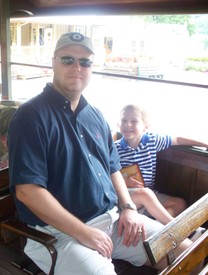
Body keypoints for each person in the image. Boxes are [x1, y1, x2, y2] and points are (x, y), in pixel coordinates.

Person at [8, 32, 192, 275]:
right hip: (59, 235)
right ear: (52, 62)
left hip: (112, 221)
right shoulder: (30, 117)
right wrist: (83, 232)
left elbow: (113, 166)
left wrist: (128, 207)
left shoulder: (95, 115)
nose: (77, 67)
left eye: (85, 62)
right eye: (68, 59)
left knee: (185, 248)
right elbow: (27, 191)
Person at [115, 104, 208, 218]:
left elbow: (178, 140)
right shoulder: (114, 149)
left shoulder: (152, 140)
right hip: (127, 197)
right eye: (124, 120)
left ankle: (159, 228)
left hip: (150, 195)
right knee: (145, 194)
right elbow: (107, 176)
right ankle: (172, 229)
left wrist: (204, 143)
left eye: (134, 121)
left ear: (146, 126)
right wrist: (124, 182)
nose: (127, 124)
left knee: (179, 203)